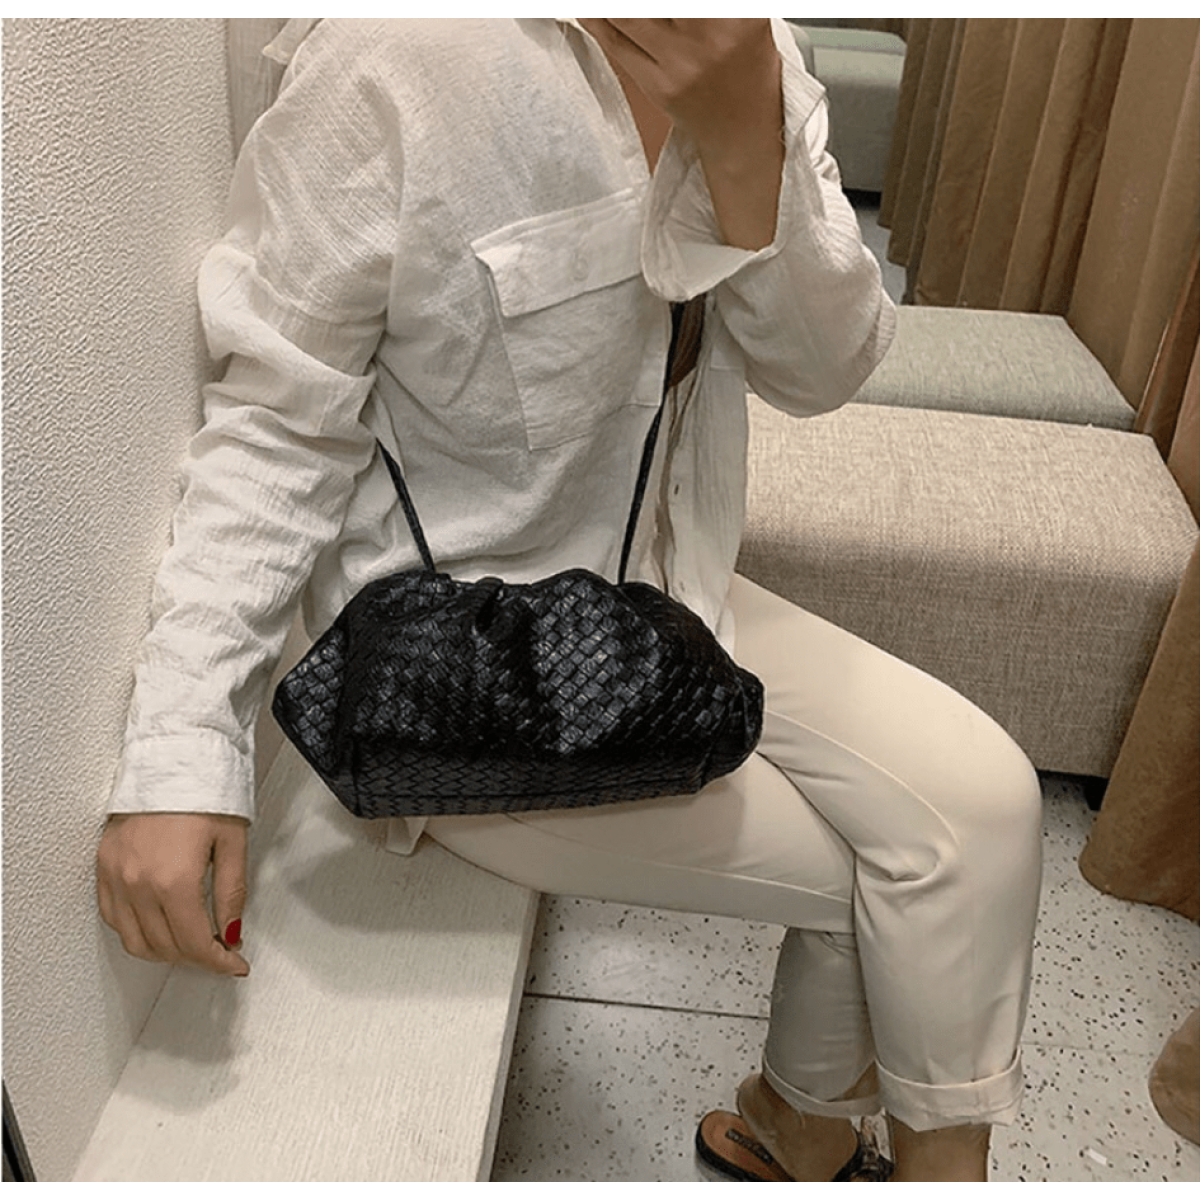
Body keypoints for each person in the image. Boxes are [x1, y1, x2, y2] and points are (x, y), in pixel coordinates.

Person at [96, 19, 1043, 1182]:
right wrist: (182, 748)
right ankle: (842, 1138)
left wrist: (745, 143)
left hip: (665, 601)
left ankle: (798, 1124)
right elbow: (278, 424)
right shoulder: (396, 59)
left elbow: (821, 372)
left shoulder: (759, 50)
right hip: (461, 683)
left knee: (991, 798)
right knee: (912, 888)